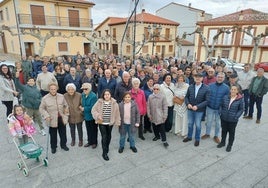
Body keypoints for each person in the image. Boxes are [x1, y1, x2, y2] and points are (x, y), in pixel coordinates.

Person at [39, 83, 69, 154]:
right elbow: (41, 108)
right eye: (51, 89)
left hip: (61, 118)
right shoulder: (45, 98)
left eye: (54, 89)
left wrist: (66, 113)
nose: (53, 90)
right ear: (49, 89)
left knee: (63, 133)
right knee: (53, 135)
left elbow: (66, 105)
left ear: (57, 89)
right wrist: (46, 116)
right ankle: (53, 147)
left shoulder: (61, 96)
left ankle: (63, 145)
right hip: (51, 119)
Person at [92, 89, 120, 161]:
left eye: (108, 94)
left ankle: (106, 147)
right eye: (105, 94)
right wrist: (98, 115)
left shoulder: (114, 103)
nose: (106, 96)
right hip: (102, 123)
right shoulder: (99, 102)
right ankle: (104, 152)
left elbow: (117, 114)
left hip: (110, 123)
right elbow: (93, 110)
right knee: (104, 136)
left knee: (109, 136)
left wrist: (118, 122)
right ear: (103, 95)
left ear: (110, 95)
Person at [201, 72, 229, 143]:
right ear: (216, 77)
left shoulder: (226, 88)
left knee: (218, 123)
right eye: (219, 77)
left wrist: (223, 108)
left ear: (224, 78)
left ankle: (216, 136)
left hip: (219, 109)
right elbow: (207, 95)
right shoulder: (210, 85)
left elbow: (226, 99)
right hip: (210, 107)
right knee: (209, 121)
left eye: (221, 77)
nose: (220, 78)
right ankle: (207, 133)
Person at [183, 73, 210, 147]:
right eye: (196, 77)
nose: (197, 78)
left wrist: (198, 106)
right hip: (190, 109)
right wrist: (188, 104)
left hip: (199, 110)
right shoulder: (191, 87)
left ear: (202, 79)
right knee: (190, 124)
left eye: (199, 77)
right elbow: (186, 97)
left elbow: (207, 101)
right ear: (194, 78)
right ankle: (189, 137)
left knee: (198, 125)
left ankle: (197, 139)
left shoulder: (206, 88)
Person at [217, 85, 244, 152]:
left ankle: (230, 145)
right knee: (224, 131)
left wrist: (236, 116)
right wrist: (220, 112)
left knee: (231, 133)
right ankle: (223, 142)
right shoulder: (225, 97)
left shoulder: (240, 99)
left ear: (237, 91)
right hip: (224, 118)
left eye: (235, 89)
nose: (233, 91)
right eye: (232, 89)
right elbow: (221, 105)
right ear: (230, 90)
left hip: (233, 120)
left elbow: (241, 109)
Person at [147, 84, 169, 148]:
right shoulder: (150, 97)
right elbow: (148, 106)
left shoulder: (162, 97)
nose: (156, 90)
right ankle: (157, 136)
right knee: (154, 127)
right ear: (152, 89)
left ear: (159, 90)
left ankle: (164, 140)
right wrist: (149, 114)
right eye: (154, 89)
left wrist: (165, 115)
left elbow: (165, 107)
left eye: (157, 89)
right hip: (153, 115)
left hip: (160, 115)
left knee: (162, 128)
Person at [80, 83, 98, 148]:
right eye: (83, 89)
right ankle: (90, 141)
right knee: (88, 129)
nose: (84, 90)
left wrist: (84, 108)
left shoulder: (93, 96)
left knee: (93, 130)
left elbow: (93, 107)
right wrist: (81, 107)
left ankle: (94, 142)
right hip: (86, 116)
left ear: (89, 89)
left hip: (92, 116)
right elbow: (82, 103)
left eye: (86, 89)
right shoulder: (83, 95)